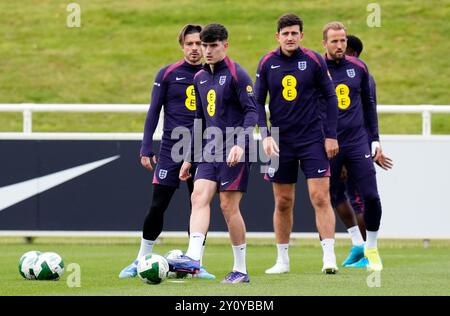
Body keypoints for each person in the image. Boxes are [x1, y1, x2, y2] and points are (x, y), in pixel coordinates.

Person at [119, 24, 215, 279]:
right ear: (182, 45)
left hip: (201, 149)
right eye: (190, 44)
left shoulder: (213, 74)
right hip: (172, 149)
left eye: (199, 44)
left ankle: (196, 264)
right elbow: (153, 111)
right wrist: (146, 146)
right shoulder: (168, 73)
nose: (195, 49)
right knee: (158, 204)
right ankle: (140, 259)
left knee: (198, 206)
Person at [168, 23, 258, 284]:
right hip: (209, 148)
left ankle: (240, 269)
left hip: (234, 148)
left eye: (213, 46)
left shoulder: (237, 74)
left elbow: (252, 112)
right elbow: (200, 119)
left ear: (225, 46)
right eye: (204, 45)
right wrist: (188, 157)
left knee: (228, 206)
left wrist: (240, 144)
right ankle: (193, 258)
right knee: (198, 196)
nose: (206, 50)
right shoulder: (199, 78)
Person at [254, 13, 340, 274]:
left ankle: (329, 257)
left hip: (313, 138)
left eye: (294, 33)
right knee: (283, 201)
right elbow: (257, 101)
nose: (289, 37)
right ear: (277, 36)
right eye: (285, 33)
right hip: (280, 140)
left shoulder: (313, 59)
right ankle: (282, 260)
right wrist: (266, 134)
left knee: (320, 196)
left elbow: (330, 96)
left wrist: (331, 135)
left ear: (301, 35)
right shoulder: (267, 63)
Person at [321, 22, 384, 271]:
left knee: (370, 195)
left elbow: (370, 106)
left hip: (357, 141)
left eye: (343, 40)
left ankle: (372, 248)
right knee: (328, 196)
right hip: (329, 142)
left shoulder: (359, 67)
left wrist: (376, 139)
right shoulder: (317, 68)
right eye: (334, 41)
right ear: (324, 43)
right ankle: (354, 244)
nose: (339, 45)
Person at [335, 35, 394, 268]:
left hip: (356, 147)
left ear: (356, 55)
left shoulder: (362, 76)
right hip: (333, 148)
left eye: (346, 49)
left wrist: (374, 144)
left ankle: (369, 249)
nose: (340, 51)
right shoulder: (326, 73)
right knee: (335, 196)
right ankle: (358, 244)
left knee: (361, 200)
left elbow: (369, 115)